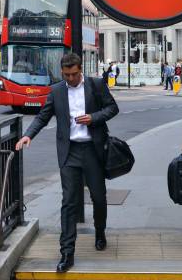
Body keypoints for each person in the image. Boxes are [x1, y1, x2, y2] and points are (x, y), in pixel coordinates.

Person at [15, 53, 119, 273]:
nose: (70, 78)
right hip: (69, 152)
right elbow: (43, 116)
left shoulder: (96, 84)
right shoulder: (56, 91)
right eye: (66, 75)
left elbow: (112, 108)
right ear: (62, 72)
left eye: (74, 74)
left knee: (99, 197)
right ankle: (67, 252)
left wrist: (94, 118)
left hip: (92, 150)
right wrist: (28, 135)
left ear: (80, 70)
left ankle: (100, 232)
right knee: (69, 201)